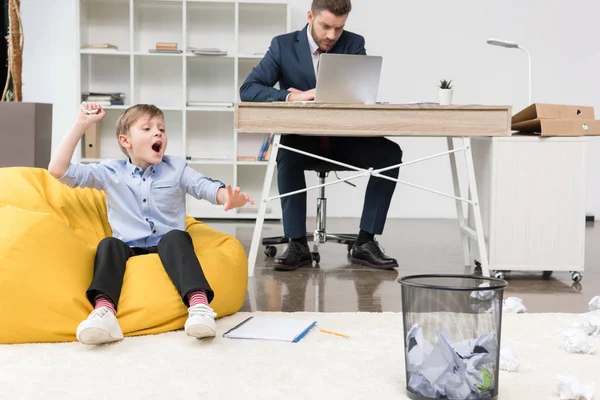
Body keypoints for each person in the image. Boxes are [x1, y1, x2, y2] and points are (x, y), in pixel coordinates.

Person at [48, 102, 254, 345]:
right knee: (108, 244)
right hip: (128, 249)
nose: (158, 133)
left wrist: (226, 196)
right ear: (126, 141)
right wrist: (82, 124)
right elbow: (58, 170)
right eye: (147, 129)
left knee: (177, 237)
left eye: (162, 129)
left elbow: (204, 186)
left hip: (168, 246)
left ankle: (199, 307)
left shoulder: (176, 168)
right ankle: (104, 313)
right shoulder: (110, 171)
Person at [240, 0, 402, 271]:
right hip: (301, 139)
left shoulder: (353, 44)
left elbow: (359, 91)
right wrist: (293, 96)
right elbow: (249, 89)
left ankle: (365, 241)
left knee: (390, 154)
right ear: (309, 17)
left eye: (338, 28)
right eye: (325, 26)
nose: (331, 35)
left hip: (344, 139)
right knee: (288, 153)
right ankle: (297, 244)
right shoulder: (282, 46)